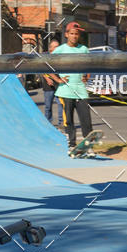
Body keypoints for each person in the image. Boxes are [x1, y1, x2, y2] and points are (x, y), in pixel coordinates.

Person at [52, 23, 93, 154]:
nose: (74, 36)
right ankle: (72, 144)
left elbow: (90, 65)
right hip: (65, 91)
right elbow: (46, 65)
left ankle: (88, 145)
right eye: (72, 33)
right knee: (68, 120)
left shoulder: (84, 49)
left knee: (86, 119)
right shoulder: (60, 50)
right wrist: (58, 79)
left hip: (81, 91)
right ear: (66, 34)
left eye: (76, 34)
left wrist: (87, 76)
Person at [42, 37, 64, 127]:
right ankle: (48, 123)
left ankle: (61, 122)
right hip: (48, 85)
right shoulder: (45, 56)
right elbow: (40, 69)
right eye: (54, 47)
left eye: (57, 46)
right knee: (48, 106)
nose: (56, 48)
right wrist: (47, 78)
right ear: (50, 48)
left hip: (59, 85)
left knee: (61, 104)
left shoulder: (61, 57)